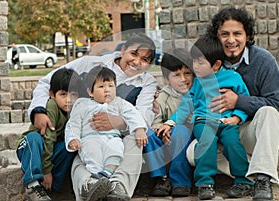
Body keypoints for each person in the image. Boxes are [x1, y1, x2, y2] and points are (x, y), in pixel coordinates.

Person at [27, 32, 157, 201]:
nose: (137, 62)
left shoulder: (147, 82)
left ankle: (118, 188)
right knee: (79, 148)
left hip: (118, 137)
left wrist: (117, 122)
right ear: (123, 50)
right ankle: (87, 187)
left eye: (145, 60)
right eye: (134, 54)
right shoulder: (91, 63)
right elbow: (47, 82)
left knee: (136, 138)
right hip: (86, 132)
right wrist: (38, 110)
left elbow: (143, 115)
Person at [201, 6, 279, 201]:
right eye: (225, 34)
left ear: (247, 35)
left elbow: (278, 106)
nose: (231, 40)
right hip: (219, 133)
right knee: (191, 153)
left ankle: (263, 179)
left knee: (269, 112)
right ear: (217, 36)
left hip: (251, 133)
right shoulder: (210, 60)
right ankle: (252, 174)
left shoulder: (264, 61)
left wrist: (238, 101)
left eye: (237, 33)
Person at [158, 34, 254, 200]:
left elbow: (244, 101)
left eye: (200, 63)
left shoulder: (233, 78)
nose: (195, 66)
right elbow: (186, 106)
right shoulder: (197, 82)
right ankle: (205, 182)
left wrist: (237, 118)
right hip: (203, 121)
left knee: (233, 143)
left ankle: (243, 180)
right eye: (194, 61)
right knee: (207, 141)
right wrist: (170, 122)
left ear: (216, 65)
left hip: (226, 121)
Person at [64, 66, 148, 201]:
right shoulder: (82, 104)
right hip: (89, 139)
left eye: (111, 86)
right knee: (91, 157)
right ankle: (91, 185)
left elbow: (133, 114)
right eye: (101, 86)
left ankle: (112, 184)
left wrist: (139, 129)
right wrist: (72, 139)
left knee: (116, 152)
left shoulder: (120, 103)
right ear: (90, 92)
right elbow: (73, 123)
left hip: (113, 139)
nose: (107, 89)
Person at [15, 68, 82, 201]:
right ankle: (32, 185)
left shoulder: (76, 110)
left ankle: (54, 189)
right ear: (52, 94)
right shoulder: (52, 106)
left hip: (50, 152)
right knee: (34, 138)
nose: (69, 100)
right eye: (63, 94)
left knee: (68, 146)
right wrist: (46, 171)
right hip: (32, 148)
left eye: (73, 95)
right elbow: (48, 138)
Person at [143, 48, 194, 197]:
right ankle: (162, 178)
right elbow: (156, 120)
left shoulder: (196, 94)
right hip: (166, 132)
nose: (183, 79)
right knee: (149, 134)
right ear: (166, 79)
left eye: (187, 73)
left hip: (186, 133)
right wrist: (161, 130)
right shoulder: (163, 96)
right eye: (176, 75)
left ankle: (180, 181)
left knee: (180, 131)